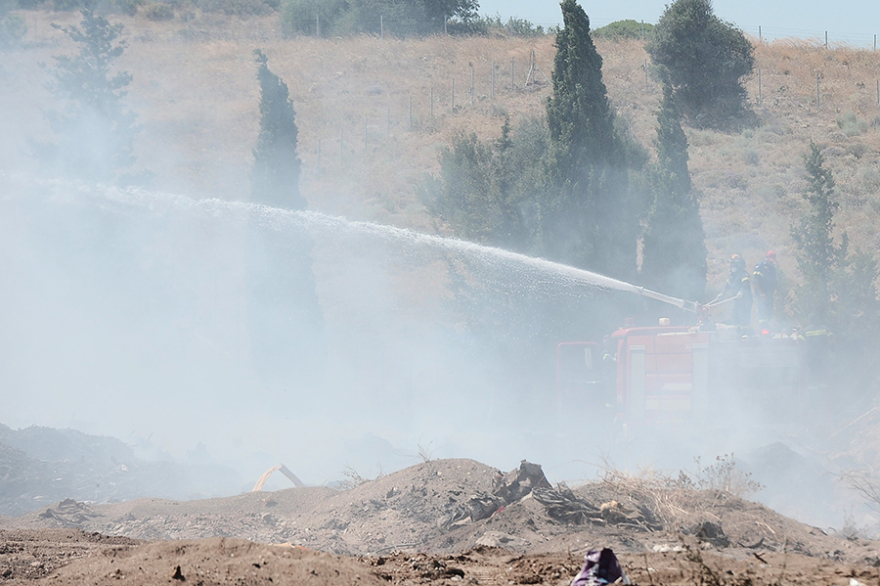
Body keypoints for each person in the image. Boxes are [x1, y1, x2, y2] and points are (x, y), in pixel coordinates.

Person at [711, 254, 753, 328]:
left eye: (731, 264)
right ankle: (738, 333)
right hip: (737, 299)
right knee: (734, 315)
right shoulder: (732, 275)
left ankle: (744, 333)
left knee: (743, 315)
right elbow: (727, 285)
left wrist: (741, 291)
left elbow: (746, 284)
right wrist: (722, 294)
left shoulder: (743, 274)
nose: (730, 266)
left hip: (745, 299)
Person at [753, 251, 778, 333]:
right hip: (762, 293)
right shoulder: (760, 266)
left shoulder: (772, 267)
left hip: (769, 292)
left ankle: (768, 327)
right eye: (770, 259)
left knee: (769, 310)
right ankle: (763, 328)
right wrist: (761, 293)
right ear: (766, 258)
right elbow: (756, 281)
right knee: (762, 309)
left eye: (772, 260)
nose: (771, 261)